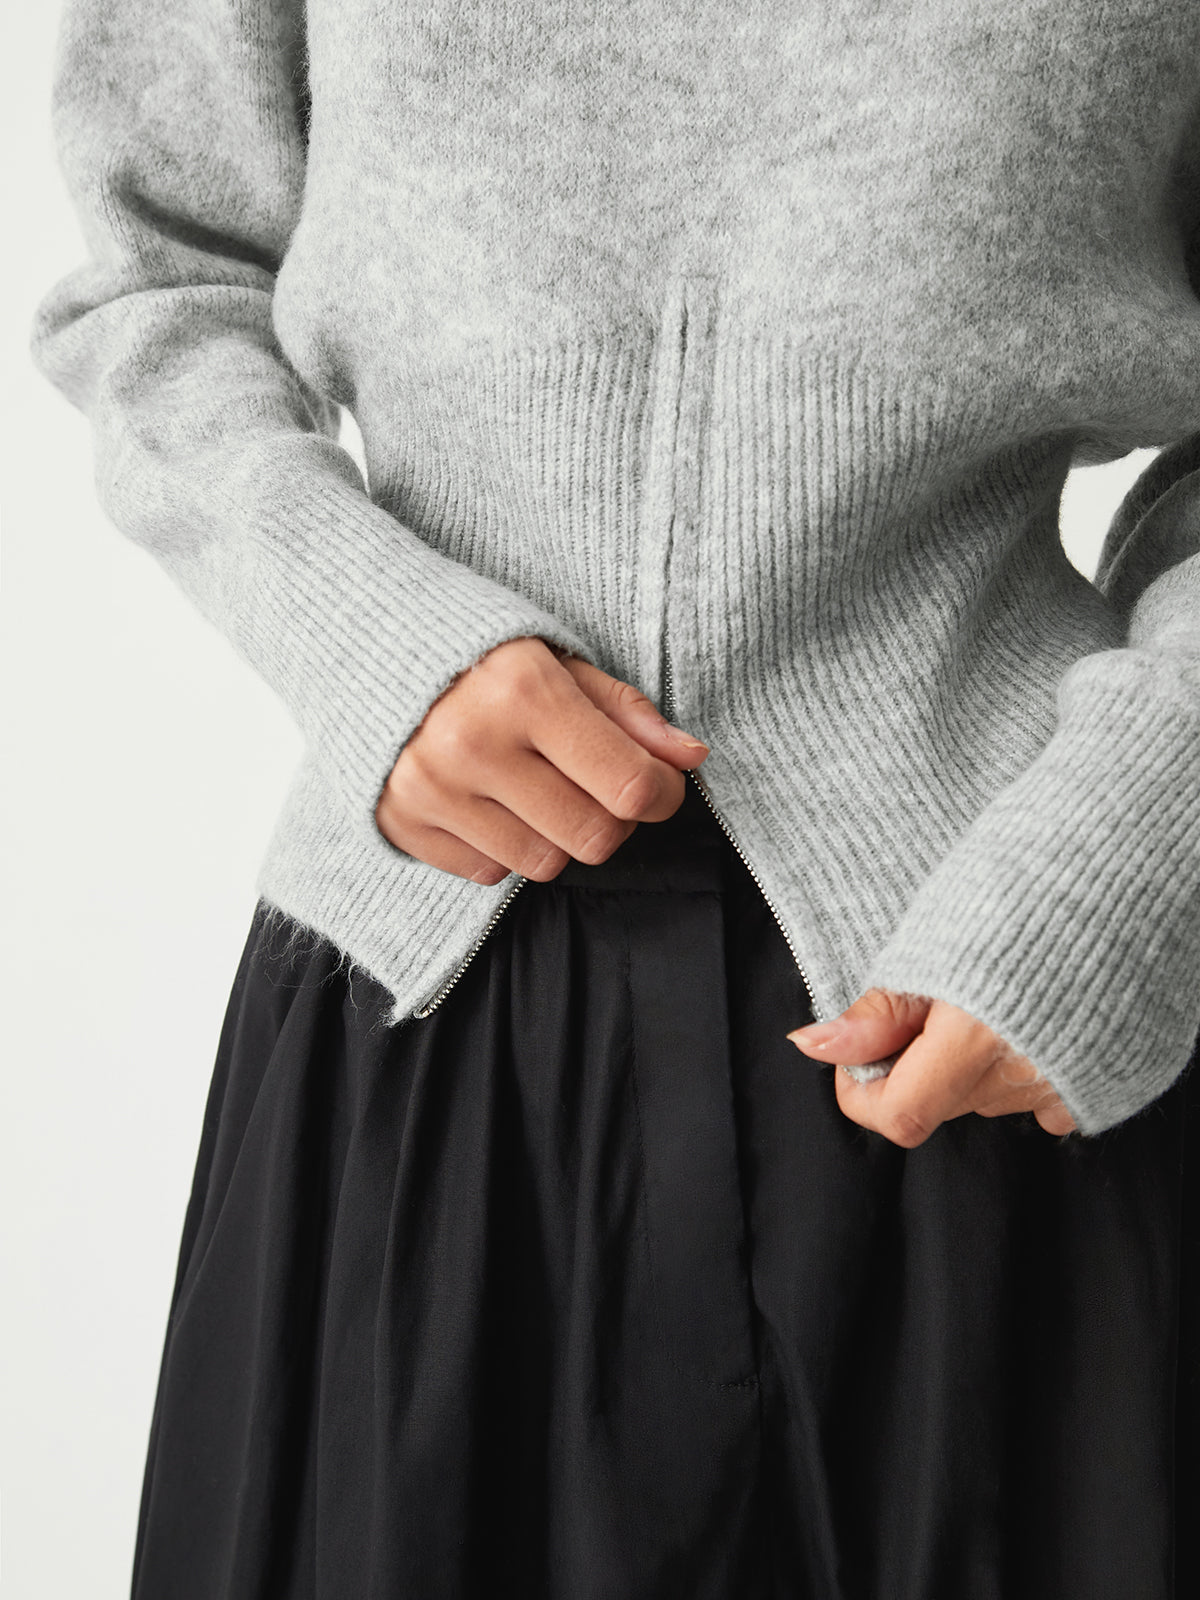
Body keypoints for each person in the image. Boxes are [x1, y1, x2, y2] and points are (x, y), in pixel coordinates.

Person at [30, 1, 1200, 1595]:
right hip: (428, 1035)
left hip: (1020, 1010)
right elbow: (163, 276)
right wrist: (362, 632)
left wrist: (1136, 838)